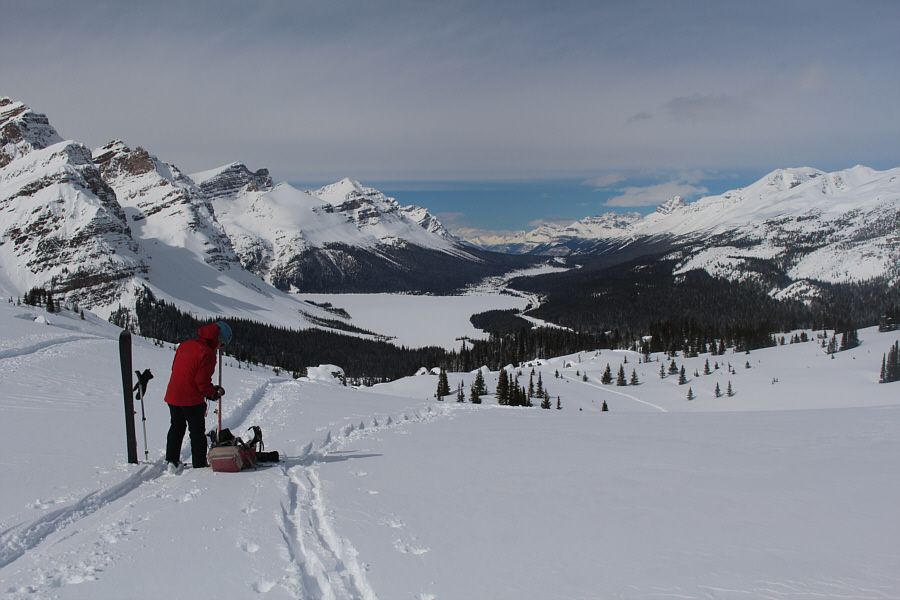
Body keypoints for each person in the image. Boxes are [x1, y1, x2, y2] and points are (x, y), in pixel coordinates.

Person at [163, 321, 232, 473]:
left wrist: (207, 389)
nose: (221, 348)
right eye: (223, 344)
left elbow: (177, 368)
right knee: (197, 432)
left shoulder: (185, 345)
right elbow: (201, 381)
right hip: (191, 399)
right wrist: (211, 393)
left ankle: (172, 462)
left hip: (173, 395)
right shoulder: (208, 353)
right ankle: (199, 465)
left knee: (176, 427)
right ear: (218, 339)